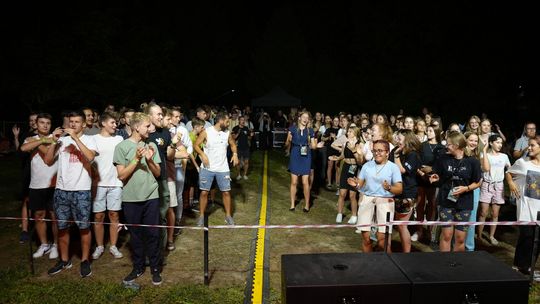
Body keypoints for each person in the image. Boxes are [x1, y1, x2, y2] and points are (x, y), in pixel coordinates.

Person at [44, 110, 97, 277]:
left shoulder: (90, 139)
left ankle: (85, 260)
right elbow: (47, 161)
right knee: (62, 228)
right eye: (71, 121)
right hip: (61, 191)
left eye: (76, 122)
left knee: (84, 227)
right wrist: (53, 141)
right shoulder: (62, 141)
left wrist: (75, 138)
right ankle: (64, 260)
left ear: (83, 124)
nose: (73, 124)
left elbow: (90, 157)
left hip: (81, 191)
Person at [114, 112, 163, 285]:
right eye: (147, 126)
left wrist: (149, 160)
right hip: (131, 198)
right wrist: (136, 159)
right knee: (135, 236)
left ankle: (156, 268)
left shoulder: (151, 146)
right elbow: (121, 176)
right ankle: (138, 267)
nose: (151, 128)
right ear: (136, 127)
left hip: (151, 196)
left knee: (153, 234)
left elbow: (158, 173)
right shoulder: (122, 147)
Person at [428, 131, 482, 252]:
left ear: (457, 145)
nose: (446, 146)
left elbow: (478, 182)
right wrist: (435, 178)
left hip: (464, 203)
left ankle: (456, 266)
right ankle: (445, 265)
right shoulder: (443, 159)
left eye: (449, 144)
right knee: (446, 235)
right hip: (446, 202)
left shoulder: (472, 161)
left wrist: (465, 188)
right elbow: (438, 177)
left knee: (460, 238)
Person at [347, 140, 402, 252]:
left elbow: (399, 189)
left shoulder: (393, 167)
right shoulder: (367, 166)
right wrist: (356, 185)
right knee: (366, 239)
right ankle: (368, 266)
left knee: (382, 241)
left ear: (387, 152)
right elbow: (360, 185)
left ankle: (388, 267)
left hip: (385, 203)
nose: (377, 153)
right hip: (367, 202)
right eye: (375, 151)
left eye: (380, 151)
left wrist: (389, 188)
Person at [20, 113, 59, 259]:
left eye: (48, 123)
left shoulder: (56, 139)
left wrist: (46, 141)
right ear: (36, 124)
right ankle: (44, 244)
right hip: (36, 184)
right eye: (42, 122)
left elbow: (47, 158)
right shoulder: (31, 139)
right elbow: (24, 148)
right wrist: (44, 140)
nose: (45, 125)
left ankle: (55, 244)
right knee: (39, 215)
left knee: (54, 216)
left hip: (54, 184)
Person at [194, 111, 239, 226]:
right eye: (227, 121)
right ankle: (201, 216)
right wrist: (203, 155)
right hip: (207, 168)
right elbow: (196, 145)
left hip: (223, 168)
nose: (228, 123)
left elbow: (233, 144)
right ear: (220, 121)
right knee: (204, 192)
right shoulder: (206, 132)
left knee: (226, 192)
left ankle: (228, 216)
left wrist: (235, 154)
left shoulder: (227, 133)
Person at [90, 112, 124, 260]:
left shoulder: (119, 139)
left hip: (115, 182)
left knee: (114, 215)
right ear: (103, 123)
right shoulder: (93, 139)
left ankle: (113, 246)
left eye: (116, 123)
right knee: (98, 216)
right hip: (99, 184)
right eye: (112, 123)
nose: (115, 125)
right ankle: (99, 246)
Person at [506, 134, 540, 276]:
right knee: (526, 237)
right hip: (526, 207)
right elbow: (509, 172)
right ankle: (519, 266)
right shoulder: (522, 163)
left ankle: (529, 267)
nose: (529, 148)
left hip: (539, 209)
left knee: (538, 241)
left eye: (532, 145)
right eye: (529, 145)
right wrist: (511, 183)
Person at [391, 129, 422, 253]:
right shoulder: (396, 151)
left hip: (408, 193)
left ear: (407, 139)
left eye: (400, 138)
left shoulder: (413, 155)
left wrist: (396, 156)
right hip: (396, 191)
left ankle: (407, 254)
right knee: (399, 225)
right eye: (396, 138)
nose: (397, 140)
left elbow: (402, 170)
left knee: (402, 225)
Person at [477, 134, 511, 246]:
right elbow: (482, 169)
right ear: (491, 143)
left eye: (501, 143)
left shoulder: (504, 156)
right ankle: (480, 235)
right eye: (497, 142)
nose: (500, 145)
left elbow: (509, 170)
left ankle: (491, 236)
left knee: (495, 213)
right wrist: (485, 151)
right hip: (486, 185)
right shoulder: (484, 154)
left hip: (499, 186)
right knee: (483, 212)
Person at [415, 124, 445, 243]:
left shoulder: (441, 148)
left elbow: (441, 165)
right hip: (422, 178)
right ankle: (419, 231)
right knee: (420, 204)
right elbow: (417, 162)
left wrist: (431, 169)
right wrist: (422, 172)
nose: (428, 132)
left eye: (431, 130)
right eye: (427, 130)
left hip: (434, 179)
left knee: (432, 205)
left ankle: (430, 231)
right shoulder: (422, 146)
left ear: (437, 132)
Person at [329, 126, 364, 224]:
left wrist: (354, 150)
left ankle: (354, 216)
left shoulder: (359, 145)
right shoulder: (345, 143)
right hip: (345, 167)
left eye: (350, 132)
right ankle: (339, 214)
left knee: (352, 195)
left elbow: (360, 161)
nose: (348, 133)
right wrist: (337, 158)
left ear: (356, 134)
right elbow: (343, 155)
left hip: (354, 169)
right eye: (348, 131)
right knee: (342, 193)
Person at [285, 111, 317, 212]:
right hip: (295, 154)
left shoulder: (310, 130)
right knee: (294, 182)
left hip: (306, 155)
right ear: (299, 118)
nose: (305, 119)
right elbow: (286, 144)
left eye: (307, 118)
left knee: (304, 182)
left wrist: (316, 145)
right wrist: (288, 140)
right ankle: (292, 204)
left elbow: (313, 146)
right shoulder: (292, 128)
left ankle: (307, 205)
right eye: (303, 117)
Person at [13, 112, 37, 243]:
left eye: (35, 120)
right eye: (30, 120)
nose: (32, 122)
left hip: (40, 173)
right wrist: (16, 137)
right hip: (27, 171)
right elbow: (19, 152)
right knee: (26, 201)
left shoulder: (44, 136)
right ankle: (25, 230)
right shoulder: (26, 135)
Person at [463, 131, 481, 251]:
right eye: (471, 140)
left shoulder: (479, 156)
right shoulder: (460, 154)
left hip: (474, 190)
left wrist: (484, 151)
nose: (473, 143)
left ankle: (469, 248)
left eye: (476, 141)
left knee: (471, 219)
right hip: (460, 189)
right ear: (465, 140)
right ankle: (456, 245)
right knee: (458, 219)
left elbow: (485, 170)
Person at [232, 115, 253, 180]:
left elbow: (249, 137)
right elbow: (233, 138)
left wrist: (251, 136)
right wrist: (238, 133)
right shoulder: (235, 128)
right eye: (241, 120)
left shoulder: (246, 128)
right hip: (238, 148)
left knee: (246, 162)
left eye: (244, 120)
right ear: (239, 121)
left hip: (246, 147)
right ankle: (238, 175)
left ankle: (245, 175)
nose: (243, 121)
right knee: (238, 162)